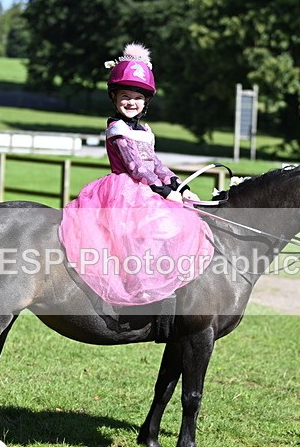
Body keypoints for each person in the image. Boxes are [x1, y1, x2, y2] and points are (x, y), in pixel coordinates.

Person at [58, 43, 213, 307]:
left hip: (145, 188)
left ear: (146, 102)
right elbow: (136, 167)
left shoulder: (144, 131)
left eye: (137, 98)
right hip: (125, 189)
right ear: (114, 98)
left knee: (175, 224)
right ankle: (136, 281)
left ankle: (164, 277)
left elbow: (156, 163)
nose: (131, 102)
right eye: (125, 97)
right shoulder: (117, 128)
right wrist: (164, 191)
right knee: (140, 231)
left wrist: (178, 184)